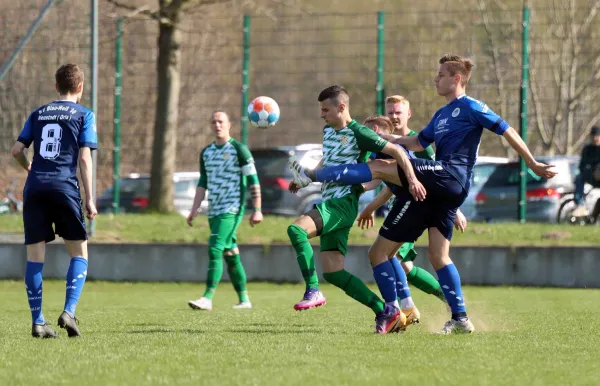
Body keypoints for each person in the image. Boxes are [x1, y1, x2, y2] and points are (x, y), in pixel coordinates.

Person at [290, 54, 557, 334]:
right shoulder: (441, 114)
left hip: (449, 173)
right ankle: (454, 318)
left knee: (379, 166)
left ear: (456, 79)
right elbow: (416, 142)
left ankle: (313, 175)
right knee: (404, 254)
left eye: (441, 74)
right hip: (438, 193)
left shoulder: (471, 107)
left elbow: (507, 130)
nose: (435, 79)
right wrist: (384, 139)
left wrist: (531, 162)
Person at [286, 85, 425, 334]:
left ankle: (312, 289)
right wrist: (305, 179)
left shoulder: (359, 133)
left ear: (341, 107)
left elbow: (395, 151)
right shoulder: (328, 130)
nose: (322, 115)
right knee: (335, 273)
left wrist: (412, 179)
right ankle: (386, 312)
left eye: (326, 109)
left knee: (296, 231)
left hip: (342, 203)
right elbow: (328, 159)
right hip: (329, 201)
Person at [11, 63, 98, 338]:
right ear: (80, 87)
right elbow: (85, 158)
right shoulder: (84, 114)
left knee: (35, 258)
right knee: (79, 253)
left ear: (56, 86)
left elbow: (16, 150)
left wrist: (29, 168)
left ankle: (38, 322)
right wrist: (91, 198)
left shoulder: (38, 113)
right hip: (64, 187)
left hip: (35, 188)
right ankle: (69, 312)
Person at [186, 111, 263, 311]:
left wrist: (257, 209)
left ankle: (207, 297)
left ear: (229, 125)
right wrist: (194, 209)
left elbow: (253, 180)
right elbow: (203, 183)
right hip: (214, 209)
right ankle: (244, 299)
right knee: (230, 253)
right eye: (213, 122)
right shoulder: (206, 152)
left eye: (221, 121)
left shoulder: (239, 150)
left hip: (232, 208)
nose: (217, 125)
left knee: (215, 248)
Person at [572, 126, 600, 217]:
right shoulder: (587, 149)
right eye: (593, 136)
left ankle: (594, 217)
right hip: (591, 176)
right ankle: (580, 205)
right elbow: (582, 166)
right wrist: (592, 171)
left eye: (597, 136)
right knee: (579, 177)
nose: (595, 138)